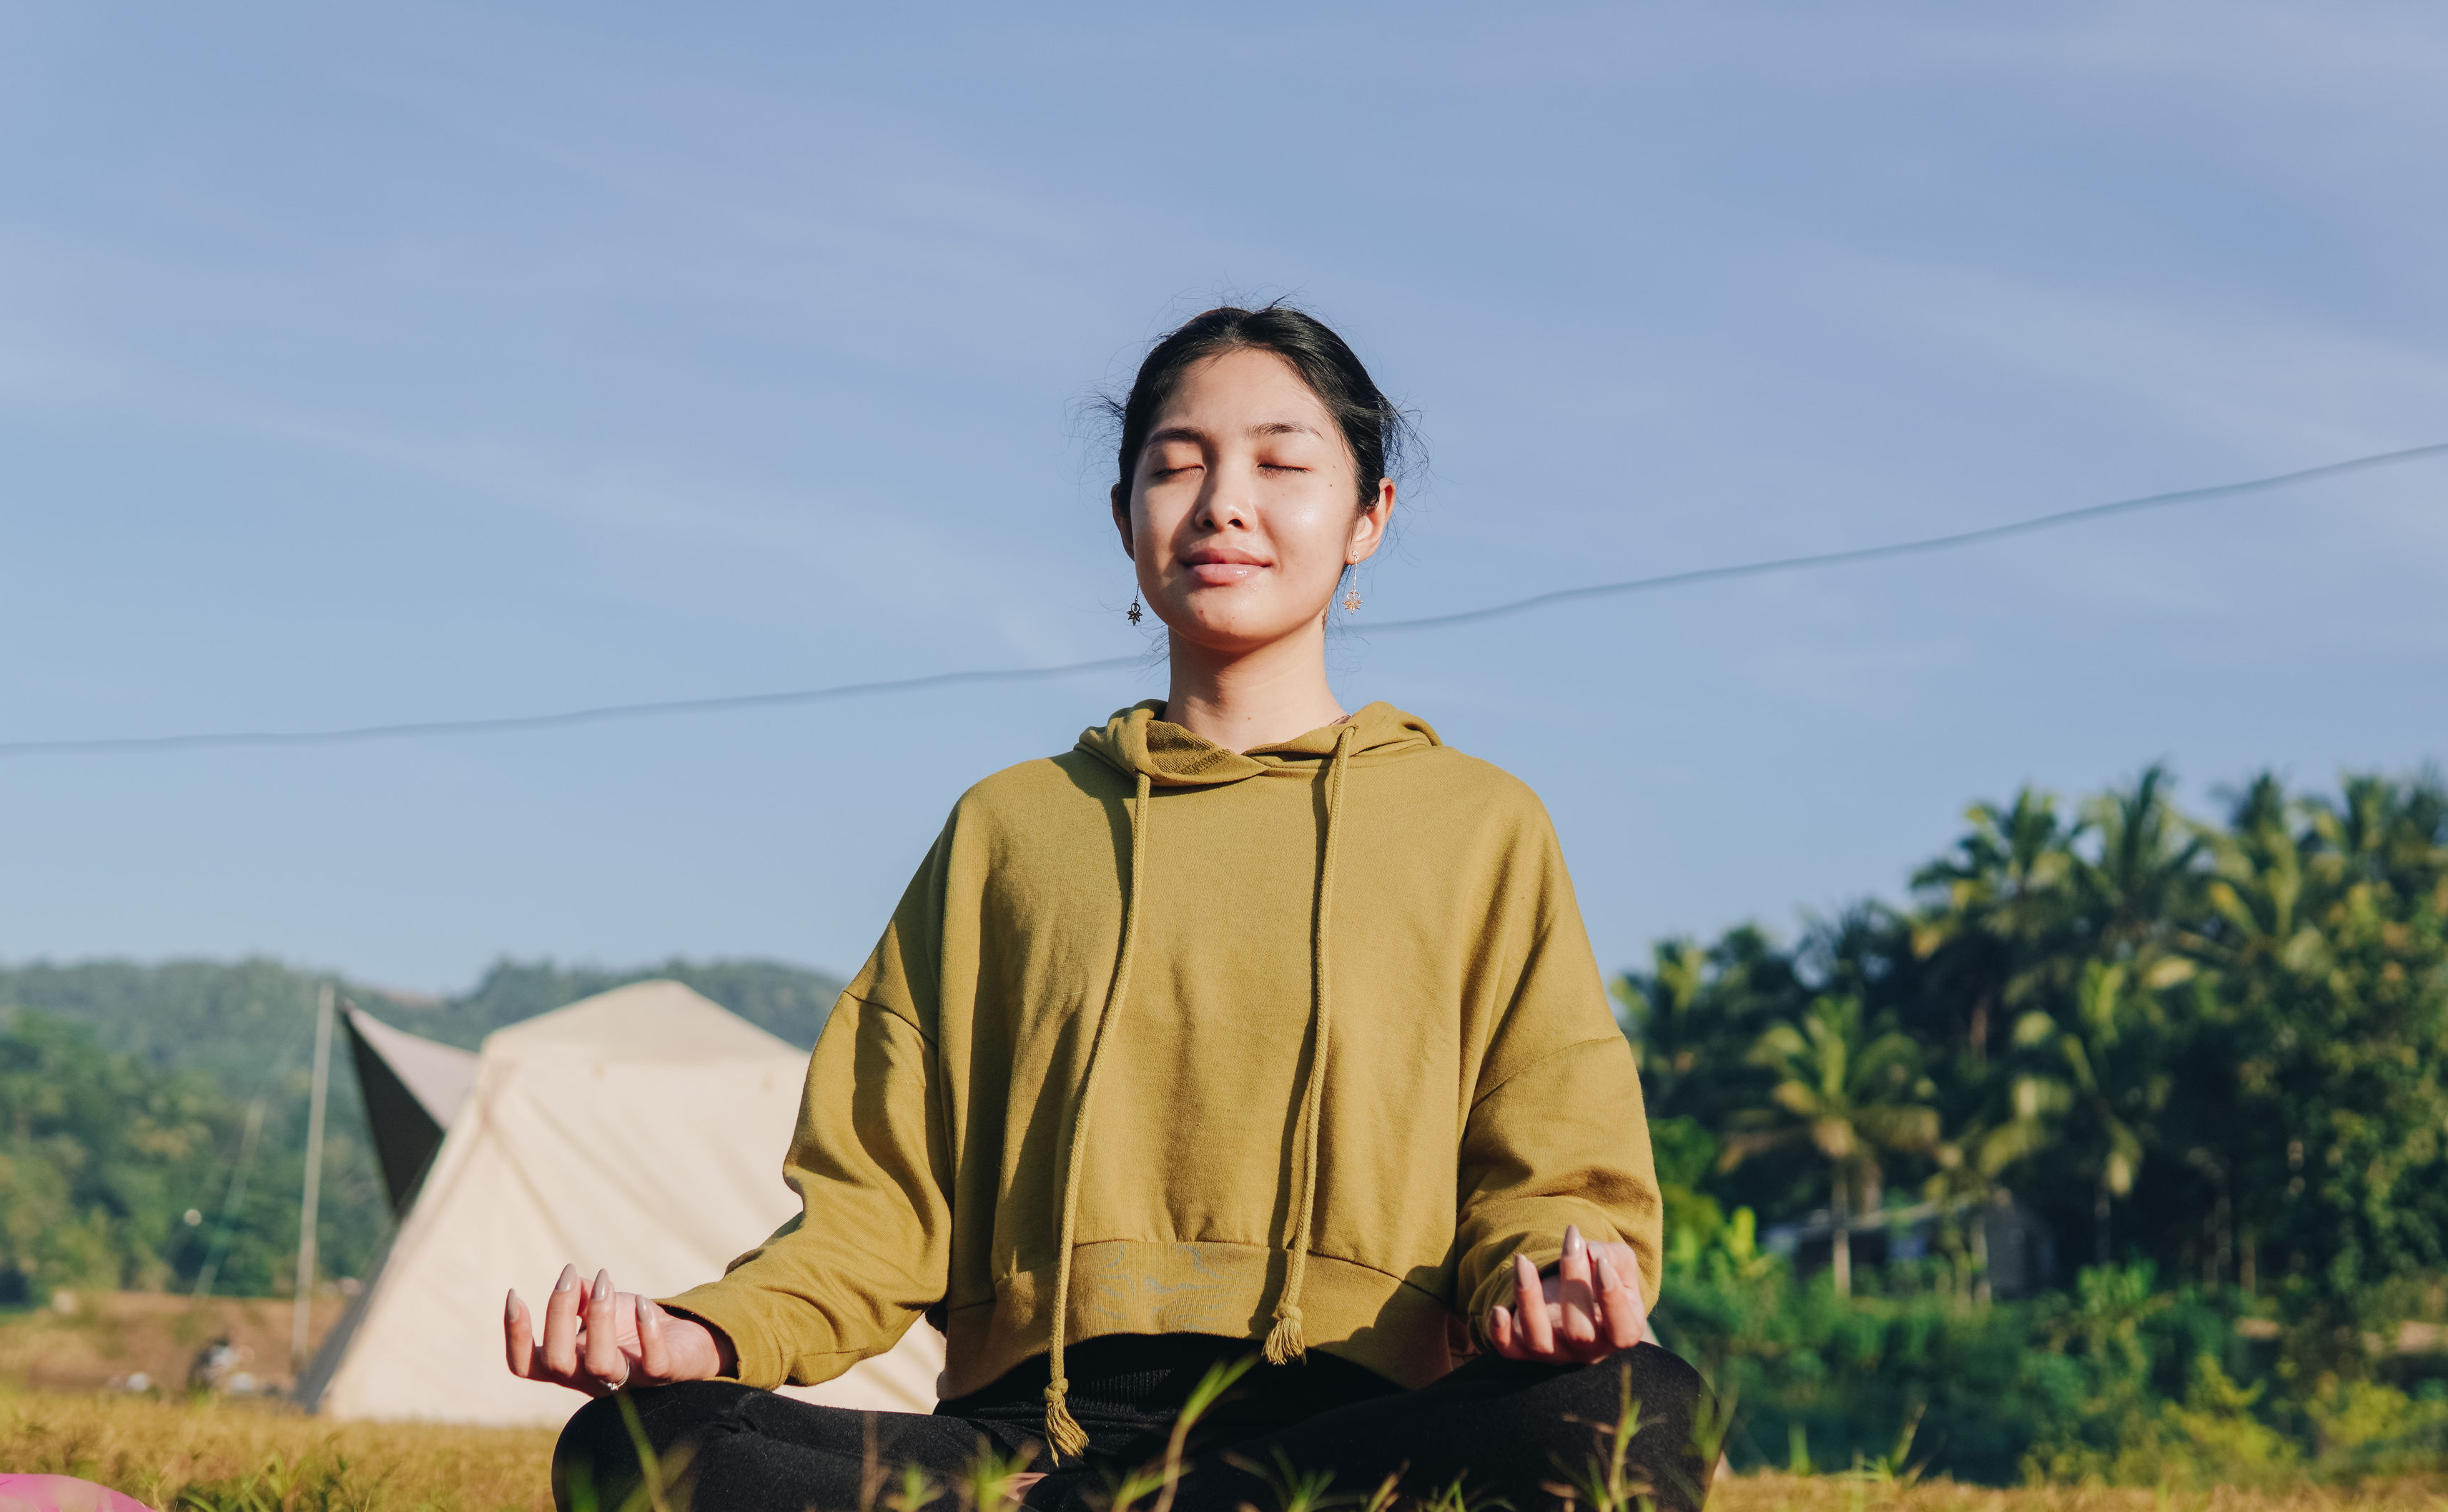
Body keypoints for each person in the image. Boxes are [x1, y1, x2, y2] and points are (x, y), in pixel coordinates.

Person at [504, 305, 1702, 1511]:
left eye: (1283, 464)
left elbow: (1549, 1171)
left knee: (1634, 1411)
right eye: (1176, 465)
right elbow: (872, 1214)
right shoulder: (1009, 831)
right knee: (637, 1449)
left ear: (1369, 518)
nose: (1225, 502)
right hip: (1028, 1445)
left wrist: (1542, 1289)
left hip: (1343, 1434)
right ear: (1125, 517)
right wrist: (704, 1338)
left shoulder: (1477, 826)